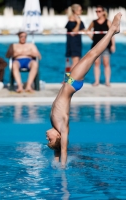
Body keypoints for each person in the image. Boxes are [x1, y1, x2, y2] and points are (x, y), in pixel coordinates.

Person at [46, 13, 122, 168]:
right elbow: (64, 147)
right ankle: (113, 30)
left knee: (92, 54)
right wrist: (62, 167)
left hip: (69, 83)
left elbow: (58, 149)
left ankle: (113, 31)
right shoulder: (63, 126)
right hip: (72, 83)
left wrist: (55, 161)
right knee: (93, 54)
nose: (46, 137)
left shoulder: (55, 125)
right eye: (50, 140)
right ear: (59, 136)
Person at [87, 5, 115, 86]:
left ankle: (107, 82)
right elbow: (87, 30)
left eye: (99, 11)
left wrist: (113, 45)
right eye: (96, 11)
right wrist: (92, 38)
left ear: (103, 12)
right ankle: (96, 81)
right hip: (95, 46)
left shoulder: (108, 22)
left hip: (106, 46)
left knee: (106, 63)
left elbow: (112, 34)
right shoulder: (94, 22)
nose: (97, 13)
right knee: (96, 63)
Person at [65, 4, 85, 71]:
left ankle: (68, 80)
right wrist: (78, 23)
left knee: (76, 62)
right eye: (80, 10)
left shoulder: (79, 20)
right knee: (75, 62)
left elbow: (83, 30)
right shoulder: (71, 21)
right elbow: (74, 32)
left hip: (77, 43)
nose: (81, 11)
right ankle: (68, 80)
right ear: (75, 11)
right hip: (73, 44)